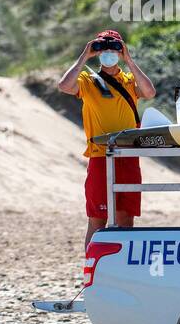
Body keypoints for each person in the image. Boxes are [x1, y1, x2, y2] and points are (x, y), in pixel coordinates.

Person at [56, 30, 156, 251]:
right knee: (97, 218)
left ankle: (122, 269)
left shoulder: (128, 81)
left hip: (128, 155)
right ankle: (92, 271)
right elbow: (64, 86)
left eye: (114, 49)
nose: (109, 53)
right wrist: (85, 55)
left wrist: (128, 59)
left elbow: (149, 92)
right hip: (100, 155)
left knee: (126, 218)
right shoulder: (88, 80)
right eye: (104, 49)